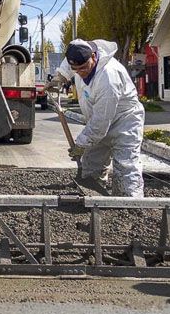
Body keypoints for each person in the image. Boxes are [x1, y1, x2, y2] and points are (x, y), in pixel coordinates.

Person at [47, 39, 145, 197]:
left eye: (84, 67)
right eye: (76, 69)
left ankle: (131, 203)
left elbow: (101, 123)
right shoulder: (81, 57)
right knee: (91, 165)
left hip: (124, 122)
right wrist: (61, 76)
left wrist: (80, 144)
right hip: (97, 121)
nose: (80, 72)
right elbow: (68, 61)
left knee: (126, 167)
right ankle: (95, 197)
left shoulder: (108, 76)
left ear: (93, 56)